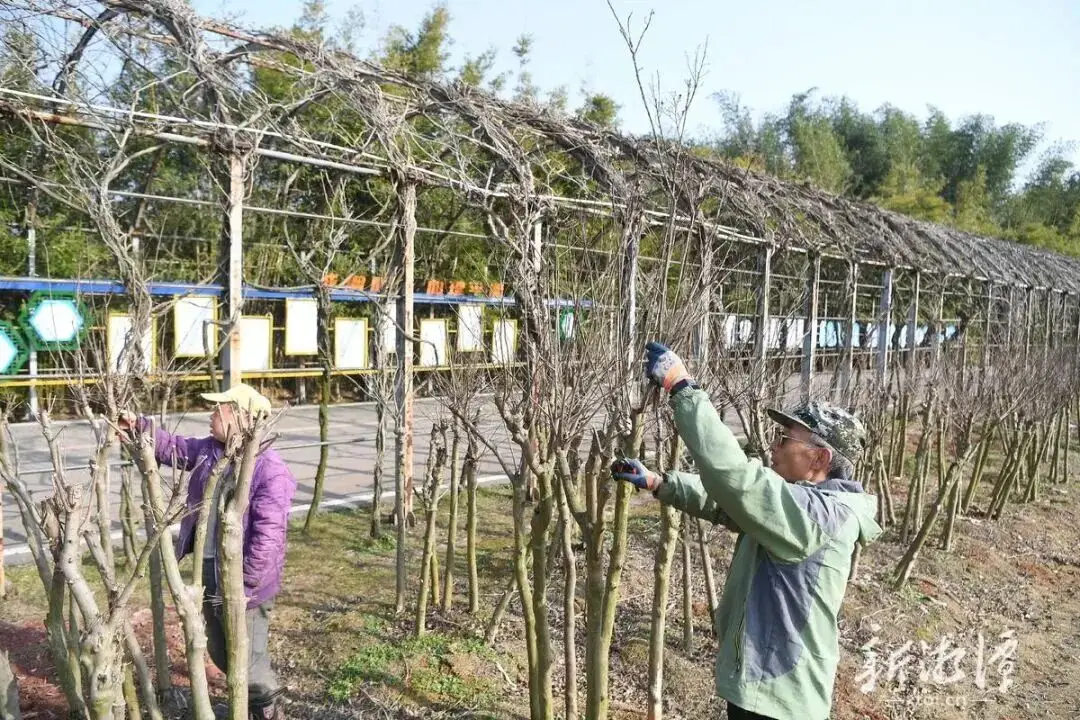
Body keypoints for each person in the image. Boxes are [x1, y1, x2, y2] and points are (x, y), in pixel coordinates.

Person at [611, 342, 882, 720]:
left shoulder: (819, 515)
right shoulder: (802, 505)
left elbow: (741, 482)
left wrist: (682, 388)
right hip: (768, 686)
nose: (774, 444)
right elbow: (733, 505)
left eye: (786, 438)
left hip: (779, 696)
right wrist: (660, 483)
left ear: (820, 458)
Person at [120, 383, 296, 720]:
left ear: (243, 418)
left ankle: (264, 711)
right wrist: (139, 426)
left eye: (219, 409)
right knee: (219, 649)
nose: (211, 414)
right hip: (210, 572)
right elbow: (173, 447)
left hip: (244, 585)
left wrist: (244, 588)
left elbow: (268, 538)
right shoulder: (212, 450)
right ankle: (241, 703)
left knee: (249, 656)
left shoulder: (268, 468)